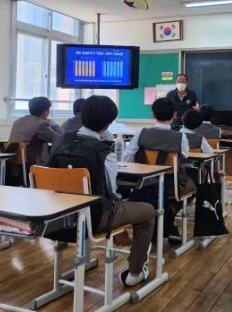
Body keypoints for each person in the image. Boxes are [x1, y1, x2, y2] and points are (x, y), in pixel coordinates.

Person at [47, 96, 155, 287]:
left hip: (56, 216)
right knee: (147, 212)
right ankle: (135, 272)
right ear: (108, 123)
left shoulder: (58, 140)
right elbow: (112, 193)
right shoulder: (104, 153)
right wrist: (118, 228)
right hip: (94, 217)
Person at [122, 98, 192, 241]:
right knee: (192, 188)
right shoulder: (180, 137)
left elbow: (127, 157)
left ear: (153, 114)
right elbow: (184, 156)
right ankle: (170, 221)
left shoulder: (141, 133)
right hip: (170, 184)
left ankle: (166, 222)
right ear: (174, 114)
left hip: (143, 183)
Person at [8, 96, 61, 166]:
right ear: (45, 112)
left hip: (14, 162)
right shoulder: (41, 124)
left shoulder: (17, 121)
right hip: (33, 164)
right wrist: (53, 123)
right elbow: (59, 139)